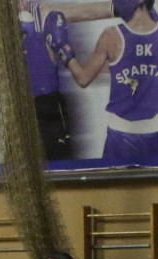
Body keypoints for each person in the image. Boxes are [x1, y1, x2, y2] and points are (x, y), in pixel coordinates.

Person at [46, 0, 158, 159]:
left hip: (127, 135)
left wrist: (62, 49)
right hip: (144, 133)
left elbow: (83, 78)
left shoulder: (111, 36)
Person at [19, 1, 114, 161]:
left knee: (58, 165)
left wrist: (123, 6)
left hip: (47, 108)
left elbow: (86, 12)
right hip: (17, 108)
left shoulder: (43, 13)